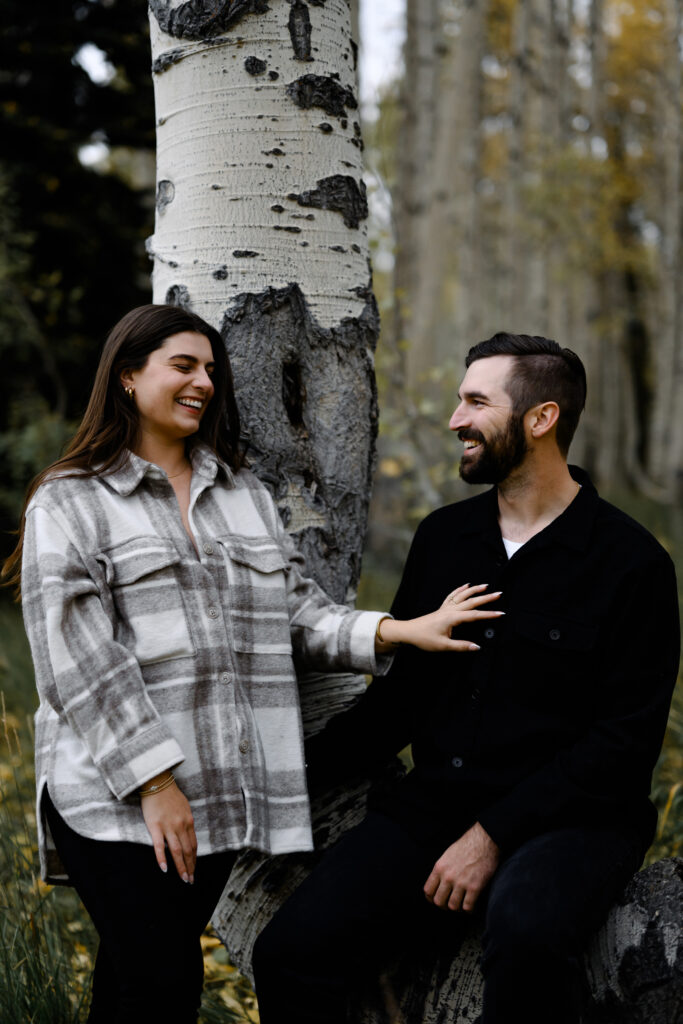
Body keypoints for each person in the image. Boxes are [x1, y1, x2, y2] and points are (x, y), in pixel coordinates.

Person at [1, 304, 503, 1023]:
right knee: (161, 985)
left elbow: (298, 615)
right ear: (126, 376)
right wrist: (153, 781)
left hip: (219, 796)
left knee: (134, 983)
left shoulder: (243, 498)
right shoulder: (72, 499)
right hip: (114, 797)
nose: (204, 380)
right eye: (183, 364)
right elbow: (75, 656)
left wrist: (400, 630)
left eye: (210, 368)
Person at [252, 332, 681, 1024]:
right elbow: (398, 704)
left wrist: (491, 835)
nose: (455, 420)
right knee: (290, 955)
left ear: (540, 418)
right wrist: (277, 779)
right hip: (434, 805)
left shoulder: (630, 564)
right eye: (458, 400)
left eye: (475, 402)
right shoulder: (444, 538)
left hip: (573, 820)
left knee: (526, 937)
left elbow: (622, 746)